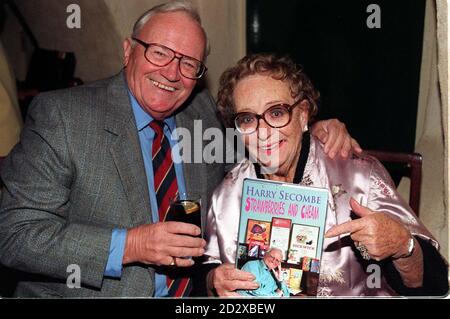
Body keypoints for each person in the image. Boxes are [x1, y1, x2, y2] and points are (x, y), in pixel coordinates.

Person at [0, 1, 358, 297]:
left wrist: (312, 132)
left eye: (188, 63)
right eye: (159, 53)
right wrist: (130, 245)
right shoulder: (63, 116)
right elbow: (14, 235)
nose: (172, 74)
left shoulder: (201, 113)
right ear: (128, 50)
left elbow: (258, 157)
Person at [204, 53, 449, 297]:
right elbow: (210, 269)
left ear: (302, 115)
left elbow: (434, 285)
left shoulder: (359, 177)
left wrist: (402, 247)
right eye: (247, 119)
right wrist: (213, 281)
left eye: (276, 112)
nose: (263, 132)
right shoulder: (228, 193)